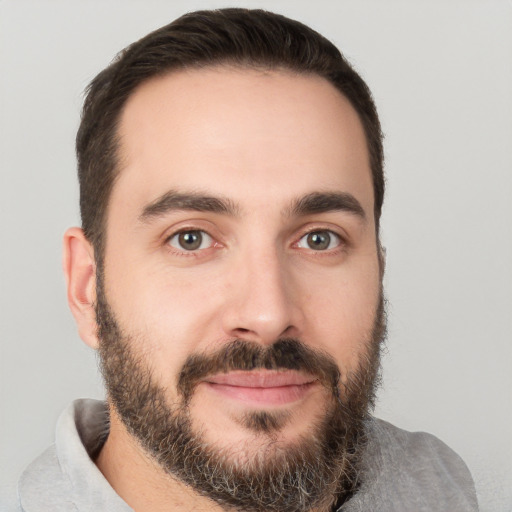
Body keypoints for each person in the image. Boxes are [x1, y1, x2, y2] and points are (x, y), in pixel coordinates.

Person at [16, 8, 479, 512]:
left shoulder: (445, 490)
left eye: (320, 239)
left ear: (378, 272)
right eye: (190, 238)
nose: (267, 315)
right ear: (87, 288)